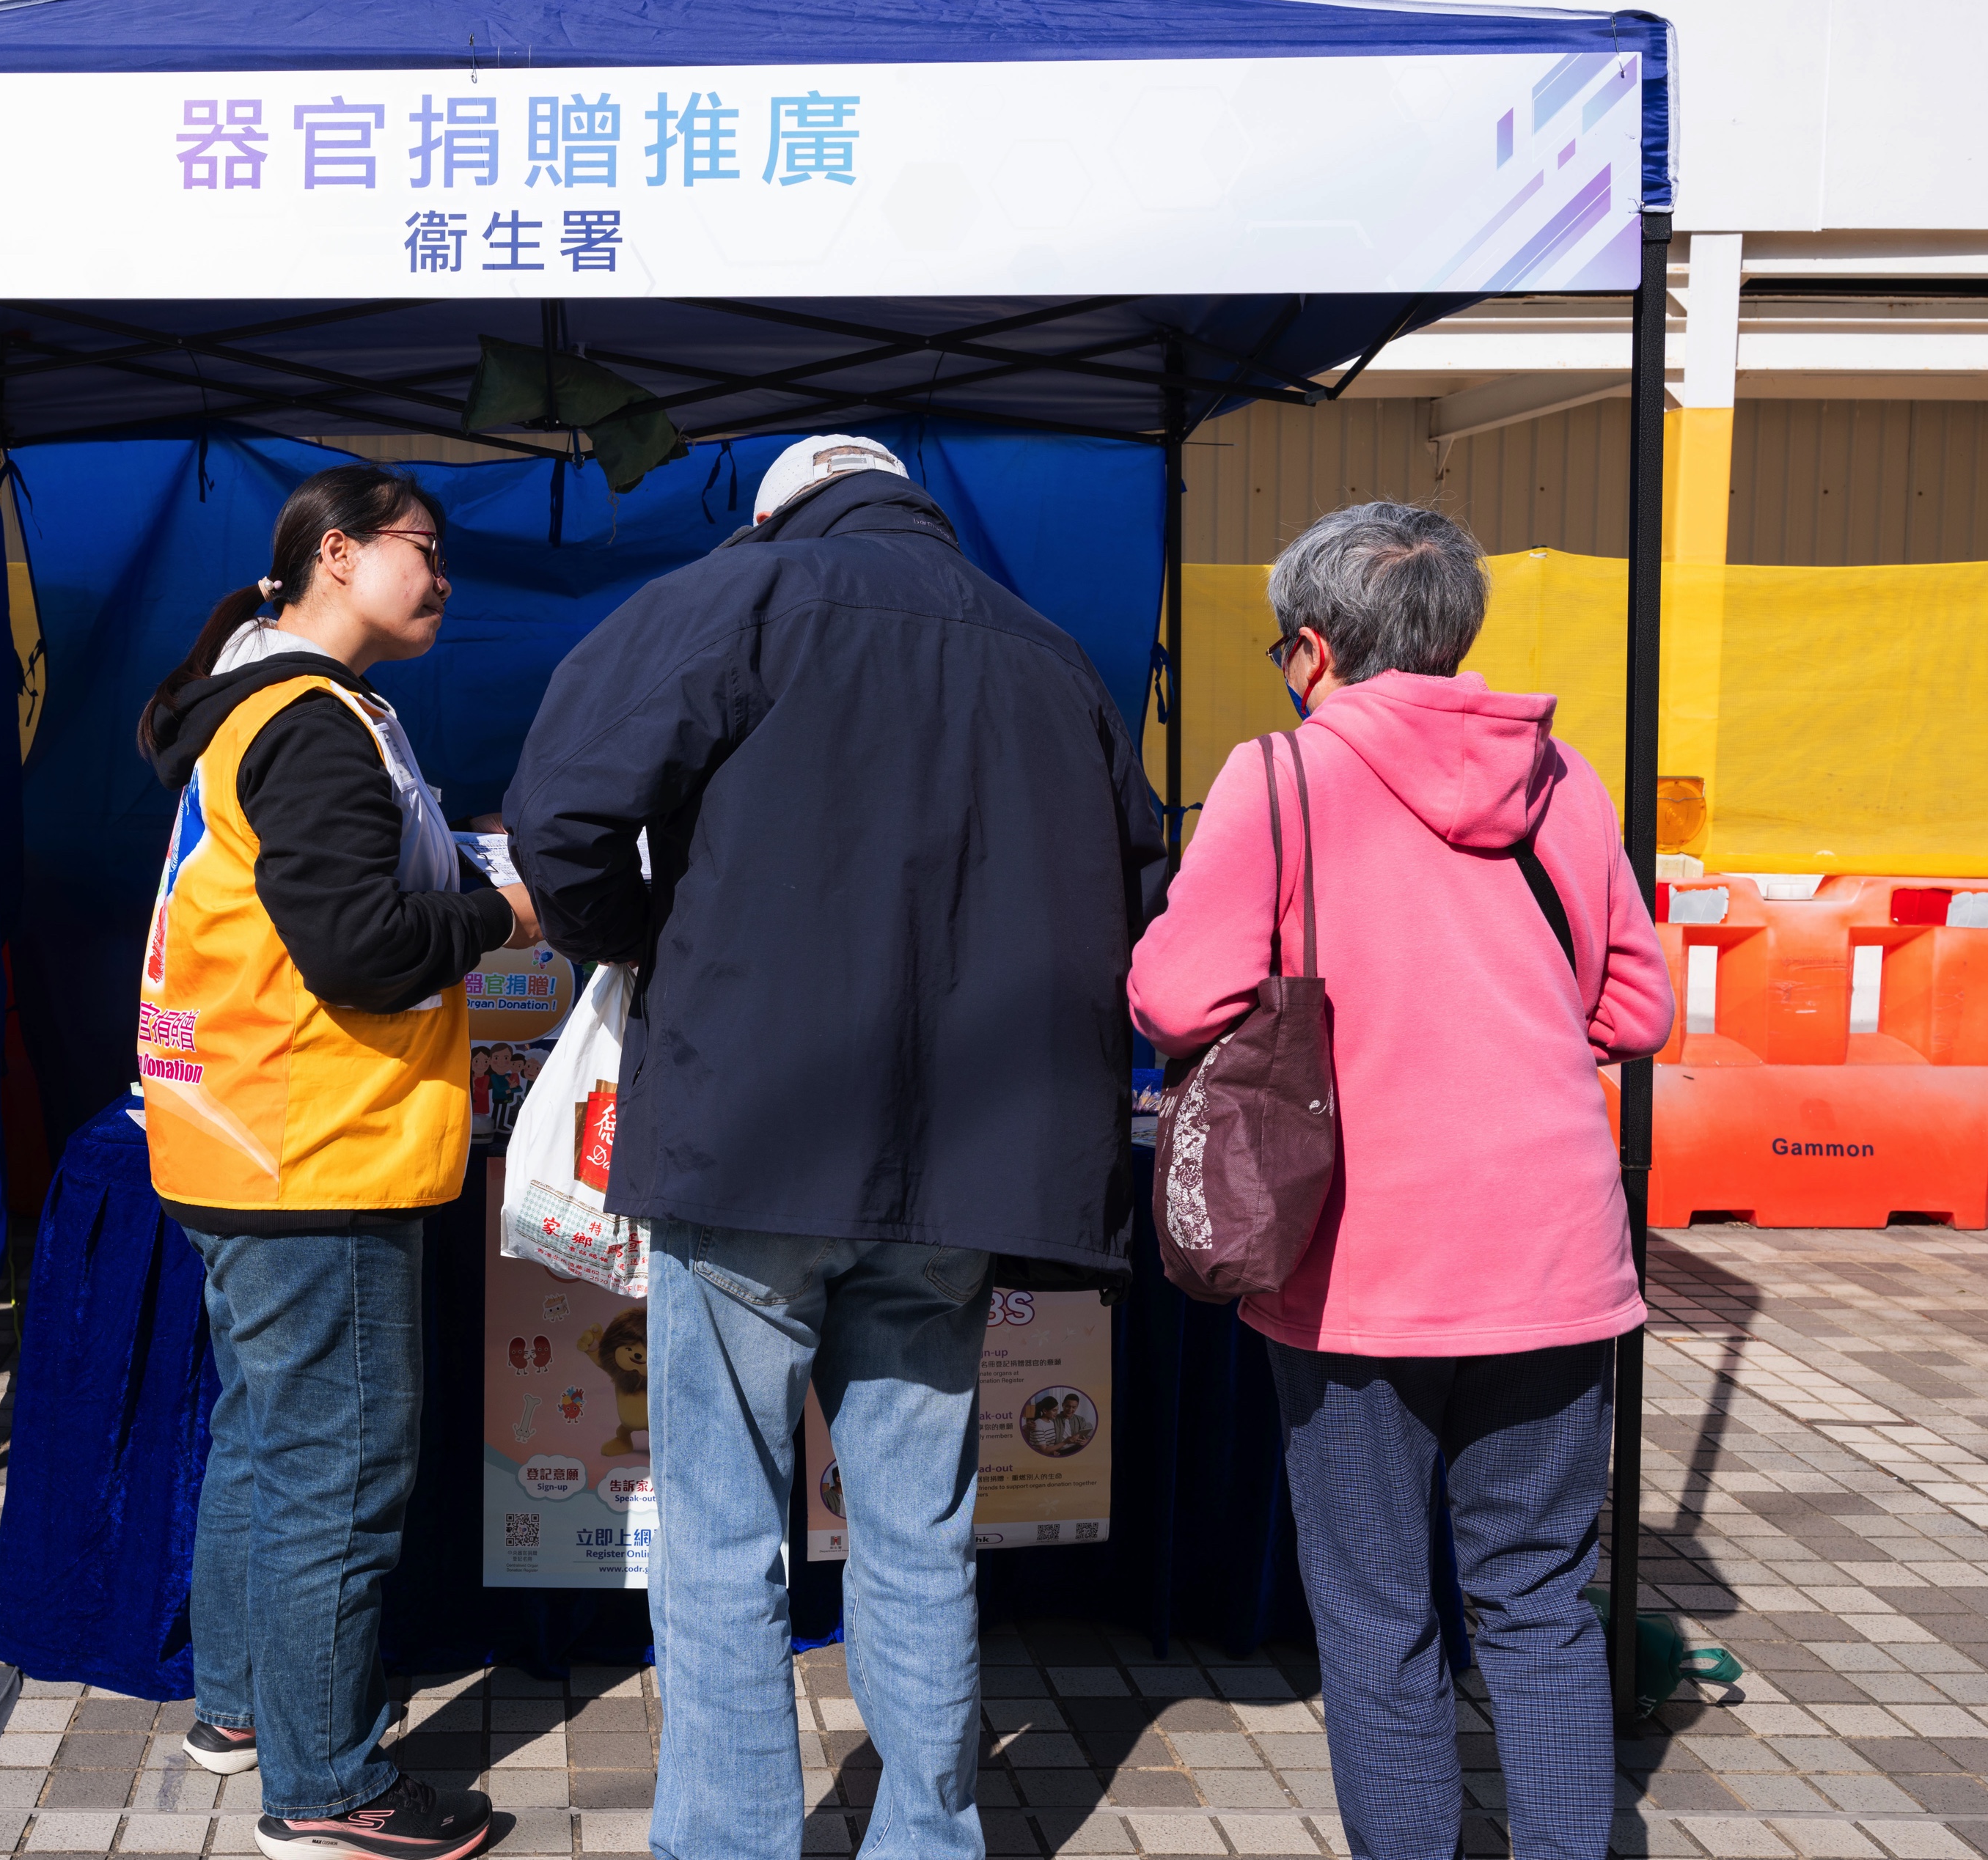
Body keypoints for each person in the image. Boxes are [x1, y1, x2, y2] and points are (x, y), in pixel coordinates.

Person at [506, 435, 1163, 1860]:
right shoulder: (1050, 656)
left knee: (723, 1528)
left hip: (750, 1137)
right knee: (919, 1525)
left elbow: (559, 814)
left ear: (775, 513)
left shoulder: (736, 597)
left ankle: (729, 1844)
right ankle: (927, 1837)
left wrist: (638, 945)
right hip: (962, 1163)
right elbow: (1140, 888)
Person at [1126, 501, 1673, 1860]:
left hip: (1360, 1263)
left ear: (1314, 648)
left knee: (1378, 1618)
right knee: (1539, 1602)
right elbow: (1637, 1008)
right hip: (1557, 1253)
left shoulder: (1280, 776)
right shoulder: (1563, 774)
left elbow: (1174, 995)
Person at [136, 464, 532, 1860]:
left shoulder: (263, 702)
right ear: (339, 553)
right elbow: (362, 949)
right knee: (336, 1475)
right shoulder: (309, 722)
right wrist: (504, 915)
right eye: (425, 549)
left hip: (239, 1140)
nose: (443, 579)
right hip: (314, 1150)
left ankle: (244, 1709)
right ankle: (327, 1790)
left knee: (266, 1442)